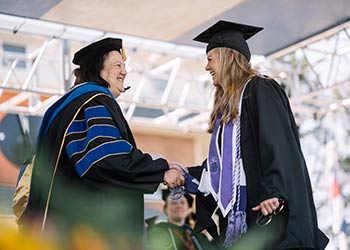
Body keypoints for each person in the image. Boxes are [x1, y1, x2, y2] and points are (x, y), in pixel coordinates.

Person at [18, 37, 184, 249]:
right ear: (98, 69)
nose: (124, 72)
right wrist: (160, 171)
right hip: (84, 234)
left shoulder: (67, 105)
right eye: (118, 65)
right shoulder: (94, 101)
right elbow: (105, 159)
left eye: (124, 66)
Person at [177, 20, 329, 249]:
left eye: (210, 59)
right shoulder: (227, 109)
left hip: (268, 213)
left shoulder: (260, 89)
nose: (206, 67)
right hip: (244, 220)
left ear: (227, 57)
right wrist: (185, 173)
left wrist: (275, 192)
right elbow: (225, 167)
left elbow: (277, 144)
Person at [146, 189, 215, 250]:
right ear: (165, 209)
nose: (179, 206)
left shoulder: (199, 237)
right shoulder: (156, 233)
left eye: (182, 202)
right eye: (174, 203)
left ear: (189, 209)